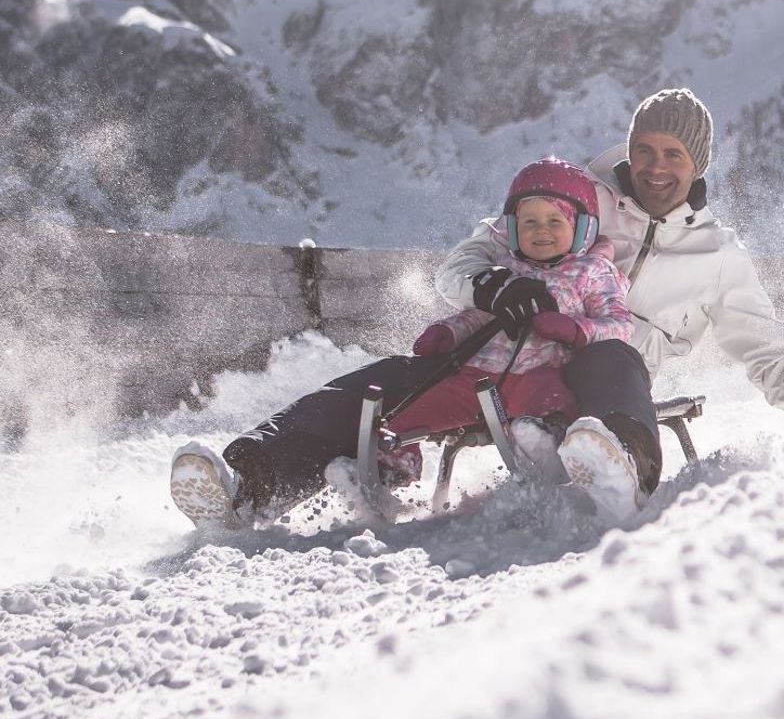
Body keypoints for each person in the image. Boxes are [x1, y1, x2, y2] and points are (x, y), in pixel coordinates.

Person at [434, 88, 784, 522]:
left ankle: (625, 469)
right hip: (516, 365)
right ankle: (392, 453)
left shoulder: (718, 256)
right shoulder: (579, 198)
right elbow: (464, 262)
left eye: (674, 154)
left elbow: (769, 354)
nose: (656, 167)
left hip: (611, 389)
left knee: (610, 356)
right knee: (434, 363)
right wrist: (495, 286)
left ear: (697, 164)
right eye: (644, 150)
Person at [169, 158, 636, 529]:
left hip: (567, 375)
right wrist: (457, 322)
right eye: (529, 222)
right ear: (511, 227)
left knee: (547, 402)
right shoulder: (505, 260)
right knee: (395, 404)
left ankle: (564, 455)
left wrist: (577, 331)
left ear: (583, 229)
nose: (541, 231)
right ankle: (289, 482)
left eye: (555, 221)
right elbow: (466, 293)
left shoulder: (596, 270)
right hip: (476, 372)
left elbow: (618, 322)